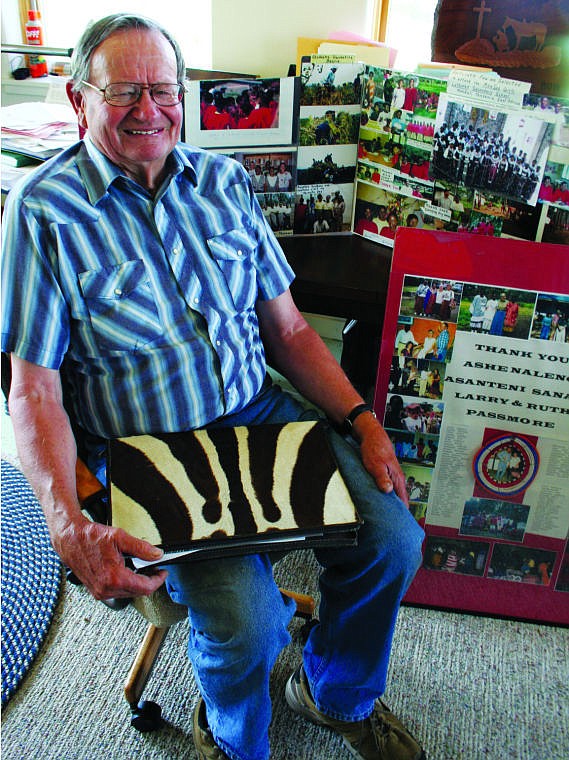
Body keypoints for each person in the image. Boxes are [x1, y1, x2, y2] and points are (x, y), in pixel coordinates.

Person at [1, 14, 425, 760]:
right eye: (123, 90)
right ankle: (233, 738)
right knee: (249, 622)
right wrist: (66, 521)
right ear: (77, 100)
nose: (148, 107)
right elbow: (32, 390)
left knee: (393, 539)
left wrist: (359, 418)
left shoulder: (225, 183)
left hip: (257, 415)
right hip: (148, 451)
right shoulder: (41, 211)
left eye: (162, 88)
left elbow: (288, 332)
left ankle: (334, 692)